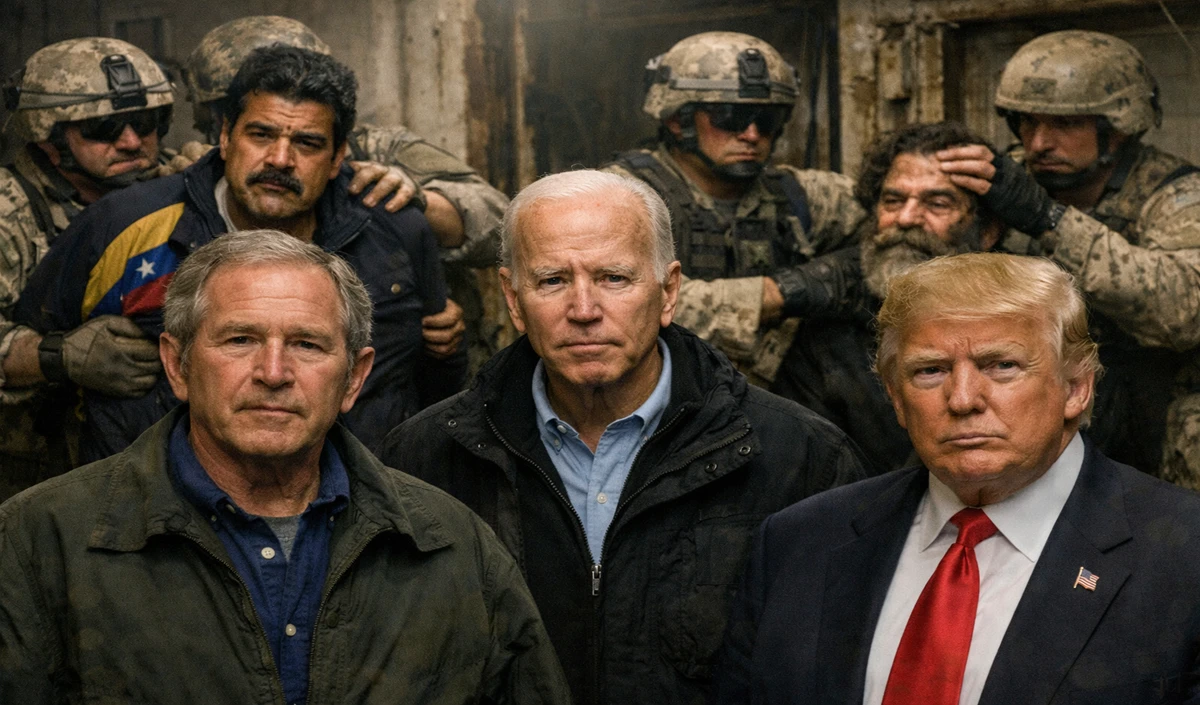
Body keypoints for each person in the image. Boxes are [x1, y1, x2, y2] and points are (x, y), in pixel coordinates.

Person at [0, 229, 570, 705]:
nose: (273, 372)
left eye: (307, 345)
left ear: (354, 378)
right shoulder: (42, 540)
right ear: (177, 366)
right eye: (240, 339)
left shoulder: (453, 547)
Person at [381, 170, 867, 705]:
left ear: (668, 291)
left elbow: (830, 673)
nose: (584, 310)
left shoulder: (801, 457)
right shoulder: (425, 458)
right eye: (552, 281)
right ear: (513, 300)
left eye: (614, 278)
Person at [713, 253, 1200, 704]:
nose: (963, 399)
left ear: (1076, 388)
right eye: (930, 371)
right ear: (896, 398)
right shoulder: (800, 543)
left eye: (1001, 366)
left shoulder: (1183, 556)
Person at [0, 37, 420, 496]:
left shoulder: (389, 229)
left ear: (339, 157)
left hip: (347, 508)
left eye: (307, 143)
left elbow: (430, 374)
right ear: (224, 136)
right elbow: (35, 356)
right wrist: (59, 355)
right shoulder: (123, 223)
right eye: (260, 135)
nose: (280, 159)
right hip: (143, 511)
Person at [936, 30, 1200, 482]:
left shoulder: (1176, 195)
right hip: (1034, 395)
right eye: (1028, 122)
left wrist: (1048, 218)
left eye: (1065, 124)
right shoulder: (1005, 178)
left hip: (1158, 403)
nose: (1039, 143)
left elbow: (1185, 311)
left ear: (1118, 127)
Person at [180, 15, 511, 374]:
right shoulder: (192, 176)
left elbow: (502, 229)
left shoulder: (379, 148)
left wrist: (415, 198)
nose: (280, 157)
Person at [602, 31, 865, 385]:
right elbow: (621, 303)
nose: (752, 134)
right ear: (678, 120)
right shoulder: (620, 197)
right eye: (730, 117)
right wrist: (782, 292)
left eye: (767, 119)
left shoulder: (798, 194)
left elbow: (904, 219)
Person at [771, 122, 1005, 473]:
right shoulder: (826, 338)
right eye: (893, 201)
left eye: (937, 203)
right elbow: (807, 470)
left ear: (987, 232)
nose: (906, 219)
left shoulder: (1020, 327)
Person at [0, 37, 171, 492]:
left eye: (145, 123)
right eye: (103, 128)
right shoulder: (8, 212)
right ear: (50, 138)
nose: (131, 142)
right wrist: (58, 356)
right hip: (31, 467)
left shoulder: (175, 183)